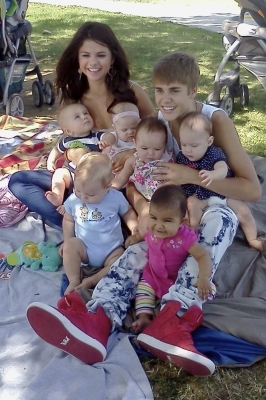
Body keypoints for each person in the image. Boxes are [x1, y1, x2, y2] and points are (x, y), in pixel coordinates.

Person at [26, 52, 261, 377]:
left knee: (222, 222)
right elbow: (136, 172)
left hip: (210, 204)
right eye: (160, 91)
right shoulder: (160, 125)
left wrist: (189, 176)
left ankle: (174, 317)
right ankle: (97, 317)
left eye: (174, 91)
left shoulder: (213, 120)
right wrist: (142, 211)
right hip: (168, 211)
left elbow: (252, 190)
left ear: (193, 90)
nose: (164, 100)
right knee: (141, 246)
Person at [8, 21, 155, 227]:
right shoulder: (73, 97)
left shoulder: (132, 92)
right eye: (85, 55)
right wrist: (72, 154)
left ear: (112, 58)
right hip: (81, 179)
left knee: (127, 198)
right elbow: (68, 142)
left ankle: (94, 222)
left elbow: (158, 136)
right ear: (77, 59)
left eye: (101, 55)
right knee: (18, 181)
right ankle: (77, 221)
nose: (93, 62)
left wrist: (132, 154)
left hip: (121, 182)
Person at [131, 184, 214, 334]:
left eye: (167, 220)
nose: (159, 225)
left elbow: (202, 255)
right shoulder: (152, 230)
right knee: (143, 291)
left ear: (181, 222)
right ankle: (144, 318)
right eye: (154, 217)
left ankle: (167, 320)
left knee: (190, 296)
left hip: (175, 280)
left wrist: (204, 277)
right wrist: (135, 237)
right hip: (153, 275)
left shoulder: (185, 238)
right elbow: (145, 235)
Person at [177, 111, 263, 251]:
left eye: (194, 145)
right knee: (192, 205)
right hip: (200, 194)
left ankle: (252, 239)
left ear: (209, 141)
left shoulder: (213, 153)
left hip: (222, 193)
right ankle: (193, 234)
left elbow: (222, 168)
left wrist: (213, 175)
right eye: (184, 144)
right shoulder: (183, 156)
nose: (188, 150)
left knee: (244, 212)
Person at [60, 152, 138, 295]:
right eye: (78, 190)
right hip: (85, 249)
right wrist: (67, 239)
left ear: (107, 186)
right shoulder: (73, 200)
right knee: (70, 246)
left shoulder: (115, 198)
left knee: (122, 259)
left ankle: (93, 280)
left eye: (90, 195)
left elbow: (127, 213)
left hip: (111, 250)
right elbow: (68, 219)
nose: (83, 197)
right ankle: (74, 281)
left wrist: (133, 228)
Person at [45, 103, 113, 213]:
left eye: (85, 113)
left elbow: (110, 136)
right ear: (68, 131)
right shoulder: (67, 141)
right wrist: (51, 161)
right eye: (77, 117)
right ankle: (58, 196)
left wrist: (107, 142)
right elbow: (57, 150)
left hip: (91, 176)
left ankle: (78, 206)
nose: (84, 116)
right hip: (71, 174)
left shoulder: (95, 136)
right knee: (59, 173)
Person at [111, 117, 173, 201]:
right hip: (142, 198)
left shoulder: (167, 158)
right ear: (135, 143)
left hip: (166, 198)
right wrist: (111, 188)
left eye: (157, 149)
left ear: (164, 145)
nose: (150, 153)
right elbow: (121, 177)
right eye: (144, 148)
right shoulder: (134, 160)